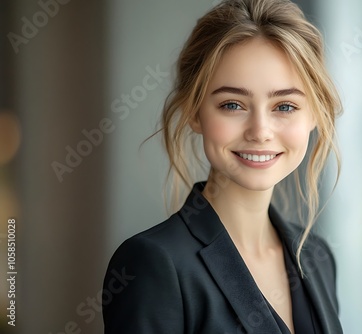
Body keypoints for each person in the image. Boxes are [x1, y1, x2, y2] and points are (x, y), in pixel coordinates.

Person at [102, 0, 343, 333]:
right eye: (232, 104)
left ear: (314, 115)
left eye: (285, 106)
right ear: (194, 112)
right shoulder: (153, 264)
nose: (260, 131)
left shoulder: (317, 257)